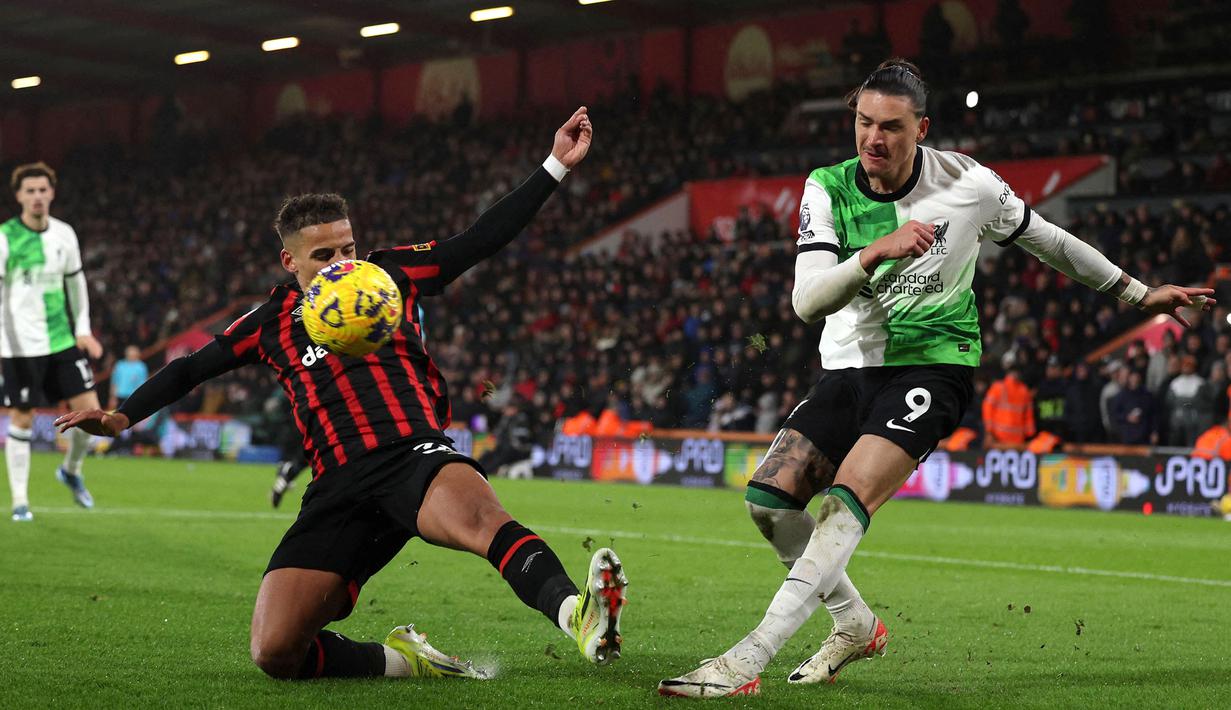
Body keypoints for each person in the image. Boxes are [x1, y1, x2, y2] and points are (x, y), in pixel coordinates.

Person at [659, 59, 1214, 698]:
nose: (873, 138)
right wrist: (875, 251)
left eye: (891, 127)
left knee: (844, 501)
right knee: (768, 503)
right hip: (848, 368)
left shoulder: (968, 183)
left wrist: (1137, 292)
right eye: (864, 122)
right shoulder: (827, 187)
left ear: (921, 129)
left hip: (933, 366)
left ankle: (745, 661)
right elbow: (806, 302)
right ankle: (855, 624)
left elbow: (1048, 239)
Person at [57, 107, 629, 681]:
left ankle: (578, 615)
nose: (341, 264)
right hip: (336, 486)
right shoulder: (270, 321)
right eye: (324, 255)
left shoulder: (390, 275)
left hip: (412, 455)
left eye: (347, 249)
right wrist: (122, 417)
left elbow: (479, 240)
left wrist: (555, 165)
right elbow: (190, 369)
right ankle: (405, 661)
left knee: (483, 521)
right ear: (290, 261)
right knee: (276, 652)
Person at [3, 162, 104, 522]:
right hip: (19, 345)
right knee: (22, 416)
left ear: (52, 193)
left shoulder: (64, 234)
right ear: (18, 196)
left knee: (93, 417)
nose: (37, 196)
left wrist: (83, 328)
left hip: (60, 339)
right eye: (30, 191)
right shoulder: (5, 238)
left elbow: (76, 284)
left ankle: (71, 470)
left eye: (42, 190)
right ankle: (20, 501)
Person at [982, 364, 1036, 446]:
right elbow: (1028, 415)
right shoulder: (1023, 390)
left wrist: (989, 431)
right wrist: (1030, 434)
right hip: (1012, 438)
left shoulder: (998, 387)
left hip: (1003, 437)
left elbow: (1028, 414)